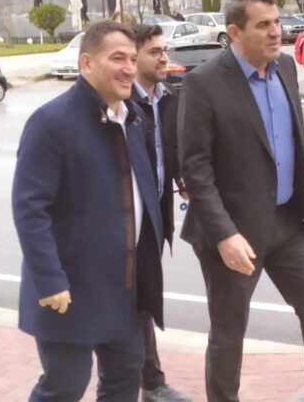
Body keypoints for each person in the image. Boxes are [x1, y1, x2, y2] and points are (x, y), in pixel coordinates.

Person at [178, 0, 304, 402]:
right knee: (229, 331)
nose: (276, 32)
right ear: (234, 33)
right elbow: (195, 169)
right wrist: (224, 235)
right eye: (263, 25)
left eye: (276, 22)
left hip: (288, 223)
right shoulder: (204, 83)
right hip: (234, 234)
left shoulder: (286, 67)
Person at [12, 20, 165, 402]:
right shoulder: (51, 123)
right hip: (70, 288)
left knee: (124, 379)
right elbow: (30, 210)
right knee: (65, 385)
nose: (129, 68)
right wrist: (50, 280)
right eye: (118, 58)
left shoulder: (133, 118)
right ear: (86, 63)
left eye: (132, 59)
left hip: (125, 287)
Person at [131, 24, 191, 402]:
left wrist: (180, 176)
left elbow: (168, 149)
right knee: (139, 302)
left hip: (155, 218)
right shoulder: (123, 104)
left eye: (164, 50)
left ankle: (148, 381)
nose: (164, 58)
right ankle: (150, 383)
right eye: (154, 51)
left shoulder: (168, 98)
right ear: (134, 56)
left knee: (142, 301)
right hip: (129, 223)